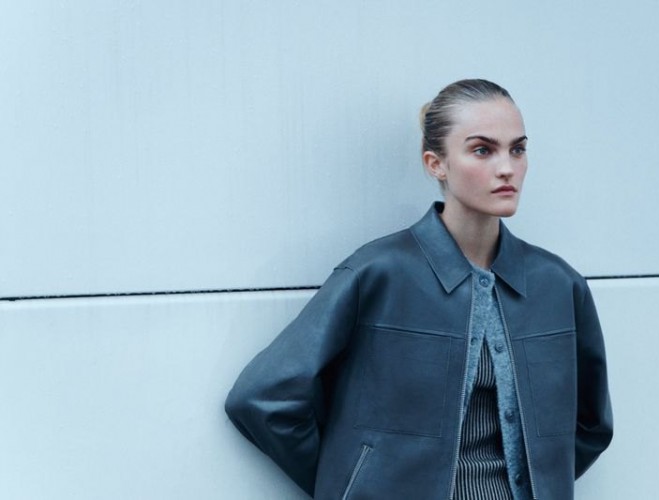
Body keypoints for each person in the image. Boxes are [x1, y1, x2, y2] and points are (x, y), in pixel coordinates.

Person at [225, 79, 613, 500]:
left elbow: (591, 425)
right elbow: (263, 398)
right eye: (482, 150)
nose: (507, 168)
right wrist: (353, 484)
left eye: (517, 149)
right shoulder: (378, 274)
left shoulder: (558, 285)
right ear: (436, 164)